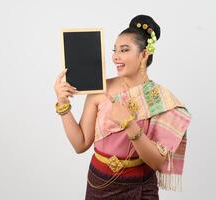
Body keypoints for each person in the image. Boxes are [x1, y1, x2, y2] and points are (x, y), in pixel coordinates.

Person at [54, 15, 191, 199]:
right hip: (99, 183)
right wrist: (63, 104)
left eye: (124, 50)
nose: (115, 57)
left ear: (144, 54)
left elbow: (158, 162)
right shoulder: (99, 89)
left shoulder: (158, 98)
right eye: (115, 50)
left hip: (141, 187)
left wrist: (129, 124)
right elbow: (80, 144)